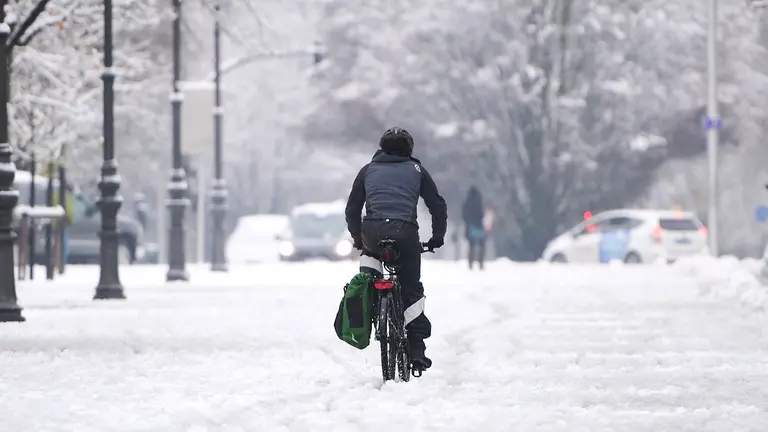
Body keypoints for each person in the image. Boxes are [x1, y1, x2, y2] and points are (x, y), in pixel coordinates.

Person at [345, 127, 447, 374]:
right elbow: (437, 205)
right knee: (411, 289)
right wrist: (436, 238)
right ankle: (416, 350)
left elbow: (352, 209)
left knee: (369, 271)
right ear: (409, 149)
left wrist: (358, 238)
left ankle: (369, 314)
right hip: (405, 234)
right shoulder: (417, 171)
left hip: (372, 232)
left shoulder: (368, 170)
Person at [462, 186, 486, 270]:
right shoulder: (479, 201)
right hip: (479, 225)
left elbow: (464, 214)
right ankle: (481, 263)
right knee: (481, 245)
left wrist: (468, 222)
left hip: (470, 225)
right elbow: (482, 213)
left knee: (471, 246)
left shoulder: (467, 201)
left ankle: (470, 263)